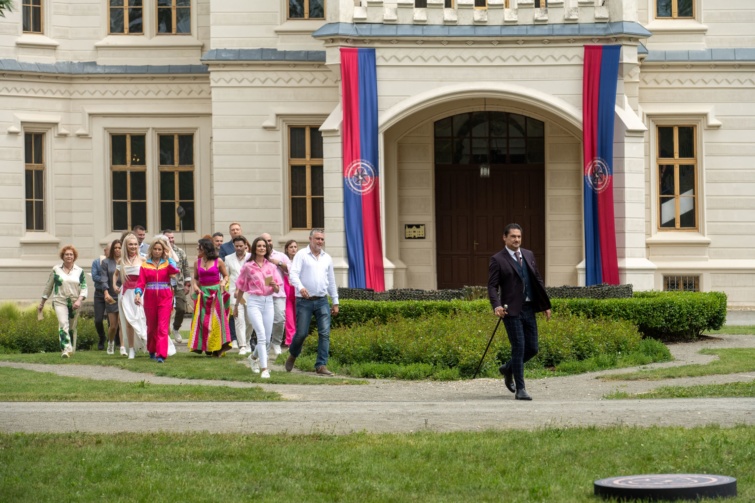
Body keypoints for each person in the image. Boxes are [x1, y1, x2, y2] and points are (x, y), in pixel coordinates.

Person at [487, 223, 552, 401]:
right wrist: (497, 305)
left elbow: (536, 279)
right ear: (505, 238)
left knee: (532, 348)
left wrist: (545, 304)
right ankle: (520, 389)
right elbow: (492, 286)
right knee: (519, 347)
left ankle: (508, 368)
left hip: (529, 308)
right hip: (511, 311)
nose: (516, 240)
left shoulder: (529, 255)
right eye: (513, 236)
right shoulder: (497, 259)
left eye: (519, 237)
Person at [285, 229, 339, 376]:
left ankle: (321, 365)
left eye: (322, 239)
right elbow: (293, 274)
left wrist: (335, 301)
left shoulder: (327, 258)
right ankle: (293, 355)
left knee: (325, 333)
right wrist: (301, 288)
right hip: (304, 301)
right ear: (310, 239)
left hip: (322, 300)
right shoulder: (301, 255)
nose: (320, 241)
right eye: (317, 239)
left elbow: (331, 281)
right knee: (302, 333)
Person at [235, 236, 281, 379]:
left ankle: (253, 358)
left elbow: (278, 289)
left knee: (267, 339)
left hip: (268, 302)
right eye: (259, 246)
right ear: (254, 248)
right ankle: (265, 368)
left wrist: (274, 286)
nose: (262, 248)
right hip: (254, 302)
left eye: (264, 246)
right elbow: (241, 287)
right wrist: (236, 306)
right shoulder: (248, 266)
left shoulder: (271, 266)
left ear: (267, 249)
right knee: (261, 336)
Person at [134, 237, 180, 363]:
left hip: (165, 297)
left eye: (160, 249)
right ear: (151, 250)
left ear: (163, 250)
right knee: (151, 327)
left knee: (162, 327)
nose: (157, 251)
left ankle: (161, 354)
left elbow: (175, 271)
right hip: (149, 298)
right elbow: (140, 283)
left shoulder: (167, 263)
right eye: (155, 249)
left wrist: (168, 257)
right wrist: (138, 294)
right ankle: (152, 350)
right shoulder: (145, 265)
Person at [38, 245, 88, 358]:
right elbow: (48, 287)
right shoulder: (56, 270)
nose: (69, 256)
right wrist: (42, 303)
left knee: (71, 326)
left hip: (75, 302)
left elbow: (84, 287)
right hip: (59, 300)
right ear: (63, 256)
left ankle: (71, 349)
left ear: (74, 256)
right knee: (63, 324)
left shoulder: (79, 271)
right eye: (66, 254)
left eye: (71, 254)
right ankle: (66, 349)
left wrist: (80, 300)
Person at [188, 238, 233, 356]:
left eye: (200, 247)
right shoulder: (197, 262)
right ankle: (205, 346)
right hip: (203, 293)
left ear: (206, 248)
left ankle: (218, 347)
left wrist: (223, 283)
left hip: (216, 293)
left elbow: (226, 276)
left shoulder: (218, 261)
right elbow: (196, 278)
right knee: (203, 321)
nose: (198, 249)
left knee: (216, 321)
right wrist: (195, 286)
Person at [114, 233, 148, 359]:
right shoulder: (121, 260)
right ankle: (131, 349)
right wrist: (114, 285)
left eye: (135, 244)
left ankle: (147, 342)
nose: (133, 247)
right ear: (126, 246)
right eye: (130, 244)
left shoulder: (143, 259)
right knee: (128, 321)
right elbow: (116, 274)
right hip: (126, 293)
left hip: (140, 293)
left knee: (142, 318)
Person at [261, 233, 290, 357]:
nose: (268, 243)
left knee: (279, 319)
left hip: (279, 293)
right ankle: (264, 344)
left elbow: (291, 270)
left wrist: (278, 263)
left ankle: (276, 342)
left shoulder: (280, 256)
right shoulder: (256, 256)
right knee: (263, 321)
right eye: (265, 241)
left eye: (269, 240)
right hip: (262, 294)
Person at [224, 235, 252, 355]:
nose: (239, 248)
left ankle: (248, 341)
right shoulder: (228, 258)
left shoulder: (252, 257)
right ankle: (242, 345)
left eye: (241, 246)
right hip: (234, 293)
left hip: (250, 292)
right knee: (238, 318)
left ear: (246, 245)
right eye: (237, 246)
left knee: (250, 321)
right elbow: (226, 275)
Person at [163, 229, 191, 344]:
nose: (171, 240)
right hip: (164, 285)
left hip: (178, 285)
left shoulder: (179, 252)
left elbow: (186, 268)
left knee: (181, 308)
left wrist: (187, 284)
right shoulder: (159, 251)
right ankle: (165, 334)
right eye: (168, 238)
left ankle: (175, 328)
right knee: (165, 310)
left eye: (172, 238)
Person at [100, 239, 122, 355]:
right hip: (111, 295)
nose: (117, 250)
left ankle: (123, 347)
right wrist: (106, 293)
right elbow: (103, 279)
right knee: (113, 325)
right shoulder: (106, 262)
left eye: (119, 247)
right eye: (115, 248)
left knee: (122, 323)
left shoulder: (126, 261)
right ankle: (111, 342)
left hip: (124, 294)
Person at [91, 242, 110, 350]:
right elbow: (94, 276)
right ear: (105, 251)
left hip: (111, 293)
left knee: (111, 320)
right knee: (98, 319)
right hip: (99, 293)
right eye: (110, 250)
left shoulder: (114, 262)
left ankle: (112, 340)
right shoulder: (96, 263)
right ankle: (101, 337)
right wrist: (106, 280)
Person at [282, 239, 298, 346]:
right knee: (289, 318)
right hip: (287, 290)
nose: (293, 249)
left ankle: (299, 341)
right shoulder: (284, 261)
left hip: (298, 290)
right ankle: (290, 341)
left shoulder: (300, 260)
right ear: (287, 249)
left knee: (299, 317)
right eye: (291, 247)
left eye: (295, 247)